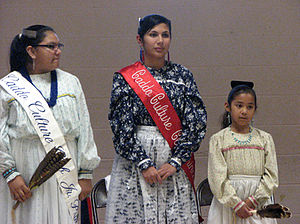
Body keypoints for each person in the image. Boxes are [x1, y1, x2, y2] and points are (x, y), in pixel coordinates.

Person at [105, 14, 207, 223]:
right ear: (139, 39)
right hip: (136, 164)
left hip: (173, 164)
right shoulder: (125, 78)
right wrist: (143, 163)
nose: (160, 41)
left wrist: (176, 161)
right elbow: (121, 126)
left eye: (165, 35)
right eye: (153, 35)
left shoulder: (183, 75)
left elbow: (195, 122)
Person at [0, 25, 100, 224]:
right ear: (31, 51)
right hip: (24, 167)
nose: (58, 51)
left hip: (64, 167)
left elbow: (84, 128)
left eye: (59, 45)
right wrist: (10, 173)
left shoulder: (71, 83)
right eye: (51, 46)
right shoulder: (9, 86)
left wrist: (86, 172)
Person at [207, 81, 279, 224]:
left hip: (258, 202)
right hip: (228, 204)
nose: (244, 111)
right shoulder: (218, 139)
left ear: (255, 109)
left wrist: (254, 200)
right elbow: (217, 177)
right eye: (239, 106)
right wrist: (236, 203)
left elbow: (272, 176)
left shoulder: (265, 139)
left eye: (250, 107)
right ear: (228, 106)